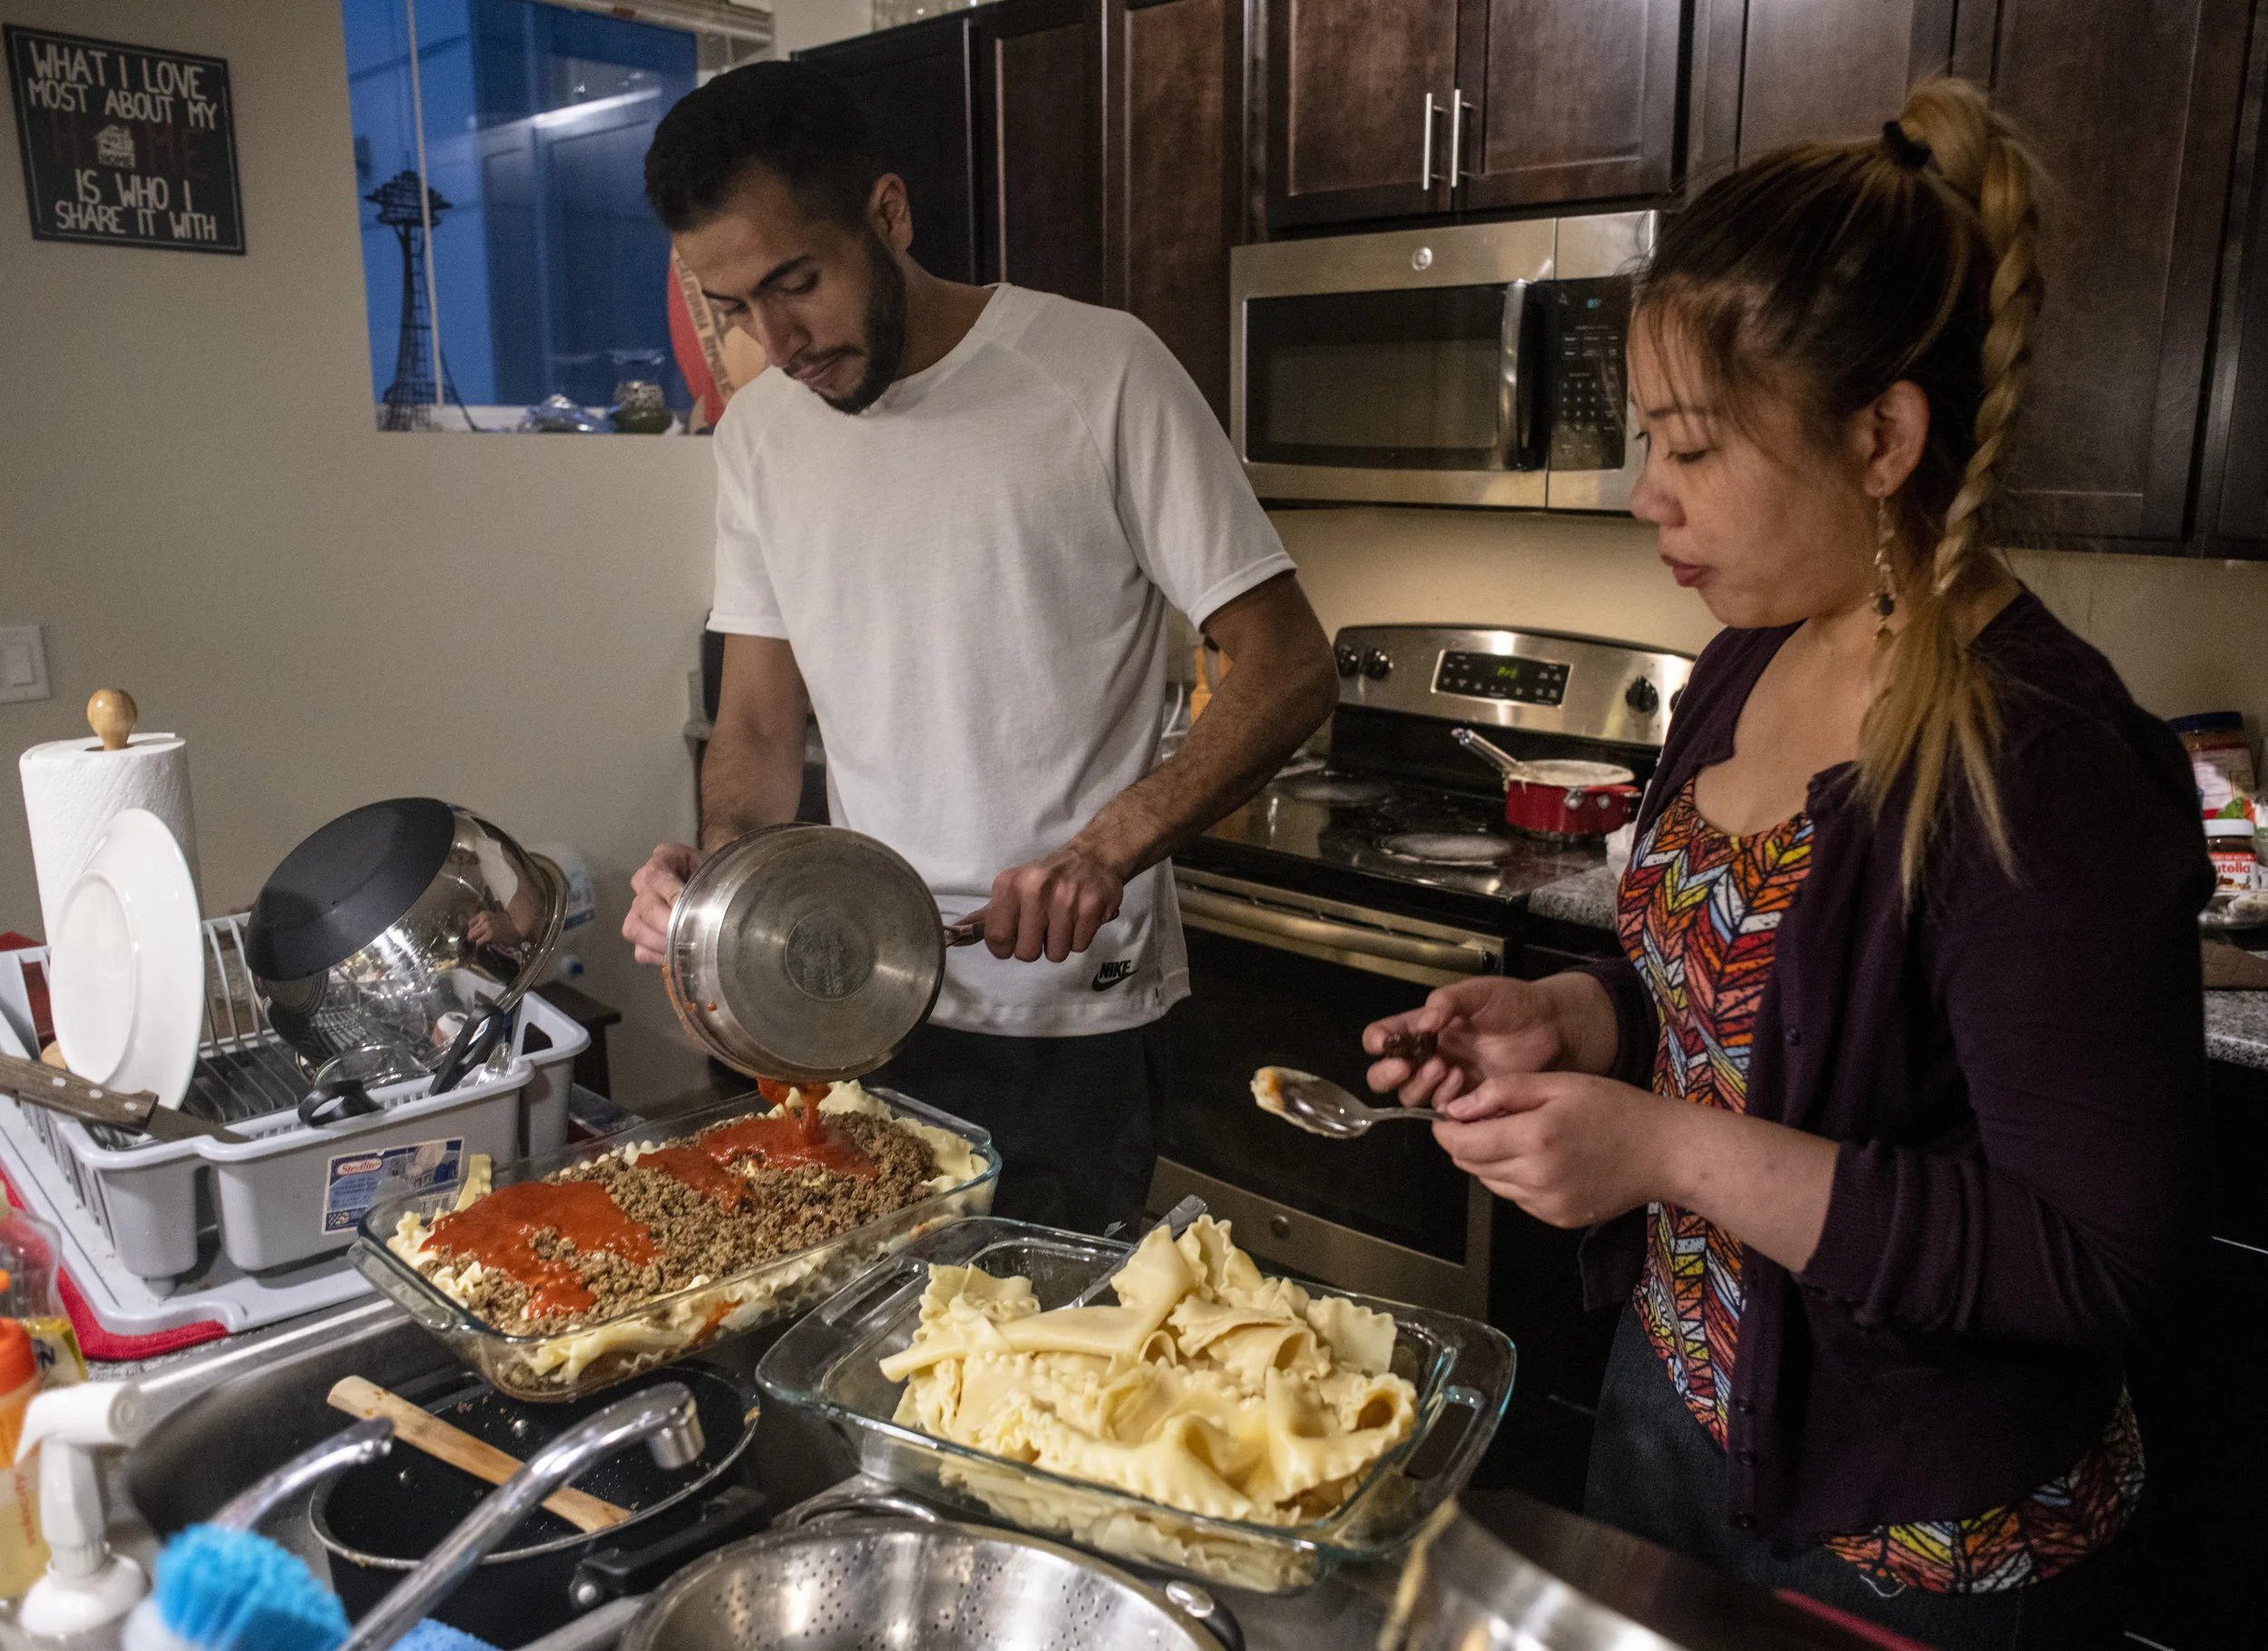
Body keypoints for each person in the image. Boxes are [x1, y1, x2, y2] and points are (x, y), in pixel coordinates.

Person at [1362, 80, 2208, 1649]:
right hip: (1679, 1410)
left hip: (1916, 1534)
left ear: (1881, 435)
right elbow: (1748, 1007)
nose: (1644, 497)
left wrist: (1662, 1154)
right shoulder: (1751, 650)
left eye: (1688, 445)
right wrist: (1579, 1021)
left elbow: (2089, 1258)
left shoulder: (2045, 764)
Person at [624, 63, 1337, 1233]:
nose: (777, 338)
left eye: (797, 282)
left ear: (889, 215)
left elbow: (1287, 661)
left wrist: (1105, 851)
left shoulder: (1101, 374)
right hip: (859, 1002)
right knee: (868, 1352)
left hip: (1074, 1018)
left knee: (1044, 1373)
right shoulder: (756, 437)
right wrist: (721, 882)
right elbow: (756, 722)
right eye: (735, 306)